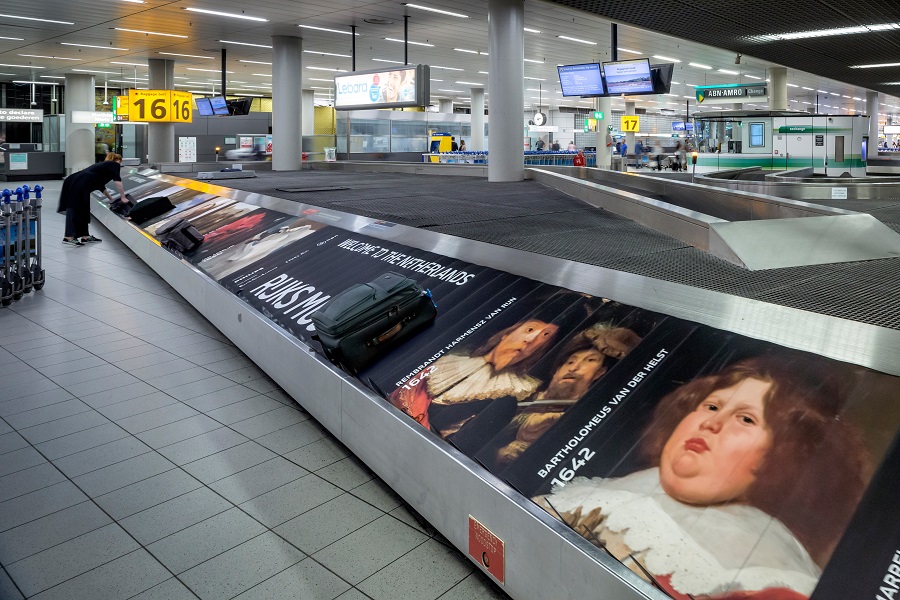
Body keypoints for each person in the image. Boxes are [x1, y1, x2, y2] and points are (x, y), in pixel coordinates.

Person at [534, 356, 869, 600]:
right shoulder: (624, 489)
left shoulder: (769, 576)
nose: (713, 422)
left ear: (782, 456)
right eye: (711, 406)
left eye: (746, 419)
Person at [488, 325, 641, 469]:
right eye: (570, 361)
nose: (574, 368)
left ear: (601, 372)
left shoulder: (591, 416)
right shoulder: (520, 393)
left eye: (590, 360)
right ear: (557, 370)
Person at [389, 318, 560, 437]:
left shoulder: (509, 395)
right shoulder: (449, 361)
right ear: (506, 333)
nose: (531, 340)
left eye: (544, 338)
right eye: (530, 330)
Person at [57, 152, 126, 246]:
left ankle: (85, 236)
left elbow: (100, 186)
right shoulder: (114, 165)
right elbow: (118, 181)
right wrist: (123, 197)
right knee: (74, 207)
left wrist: (111, 199)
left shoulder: (103, 167)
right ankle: (68, 237)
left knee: (84, 208)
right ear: (117, 160)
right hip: (78, 183)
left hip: (76, 181)